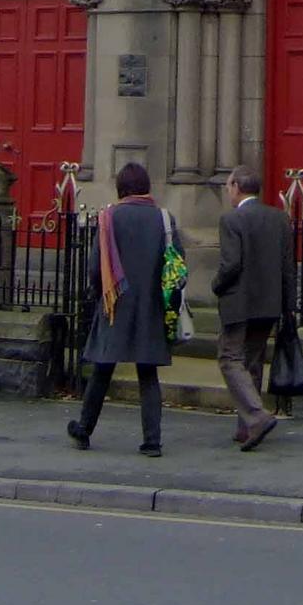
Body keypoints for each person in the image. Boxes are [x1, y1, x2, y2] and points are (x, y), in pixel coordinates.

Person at [68, 162, 181, 458]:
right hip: (150, 304)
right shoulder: (164, 218)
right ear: (146, 187)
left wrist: (99, 294)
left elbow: (95, 266)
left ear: (121, 188)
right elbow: (176, 262)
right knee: (148, 375)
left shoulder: (108, 218)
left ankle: (84, 429)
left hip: (115, 302)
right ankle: (152, 441)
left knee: (102, 371)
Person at [212, 165, 296, 451]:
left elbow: (231, 264)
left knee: (229, 357)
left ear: (236, 187)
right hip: (269, 303)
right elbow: (288, 268)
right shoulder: (279, 218)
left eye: (228, 186)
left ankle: (257, 417)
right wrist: (289, 306)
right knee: (253, 361)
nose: (227, 192)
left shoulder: (231, 220)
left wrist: (217, 286)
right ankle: (246, 427)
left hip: (239, 302)